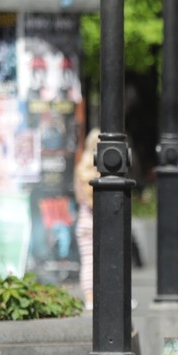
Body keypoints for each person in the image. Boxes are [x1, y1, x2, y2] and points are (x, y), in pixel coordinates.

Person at [74, 129, 101, 310]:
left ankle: (90, 299)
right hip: (102, 221)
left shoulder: (81, 167)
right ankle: (112, 296)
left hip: (84, 220)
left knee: (87, 262)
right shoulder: (103, 168)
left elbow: (78, 197)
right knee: (108, 260)